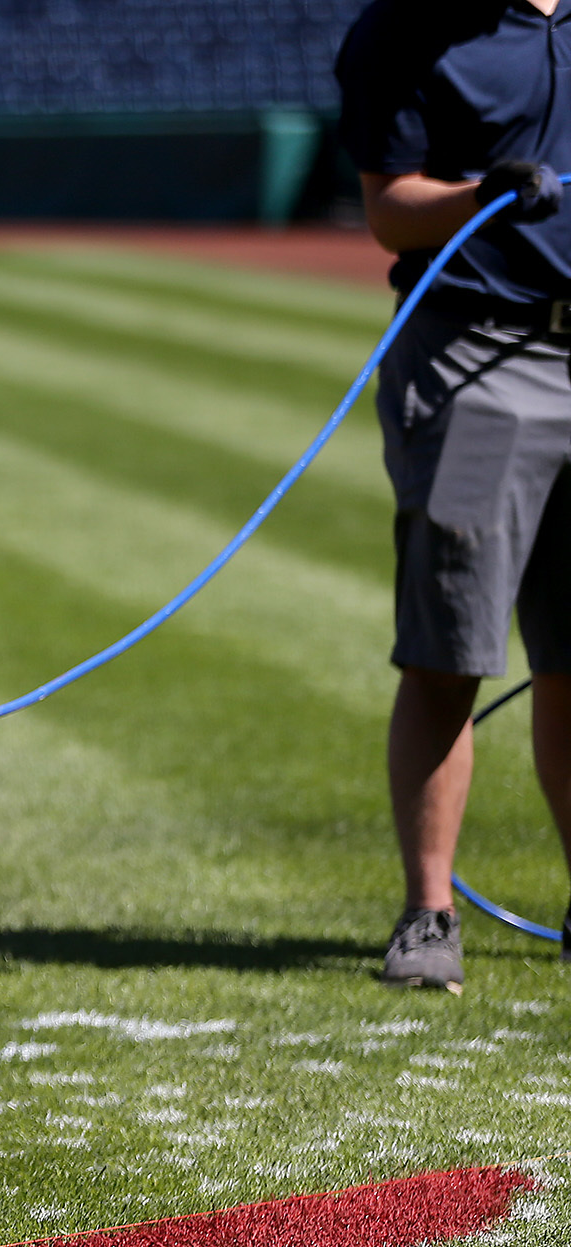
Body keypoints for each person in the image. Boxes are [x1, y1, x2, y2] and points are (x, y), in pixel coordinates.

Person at [338, 1, 571, 992]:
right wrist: (480, 194)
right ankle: (427, 911)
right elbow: (389, 205)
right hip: (478, 368)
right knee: (450, 642)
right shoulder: (407, 27)